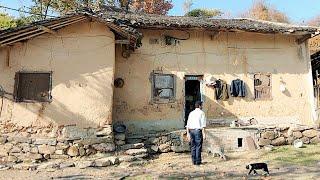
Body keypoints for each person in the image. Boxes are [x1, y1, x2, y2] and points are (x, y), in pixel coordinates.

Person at [186, 101, 206, 165]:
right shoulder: (202, 113)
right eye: (202, 105)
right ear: (200, 106)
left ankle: (193, 161)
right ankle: (198, 161)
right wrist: (204, 133)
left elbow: (188, 124)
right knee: (198, 146)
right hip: (198, 131)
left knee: (193, 146)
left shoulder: (191, 113)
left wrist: (188, 133)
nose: (202, 106)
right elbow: (203, 125)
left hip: (191, 131)